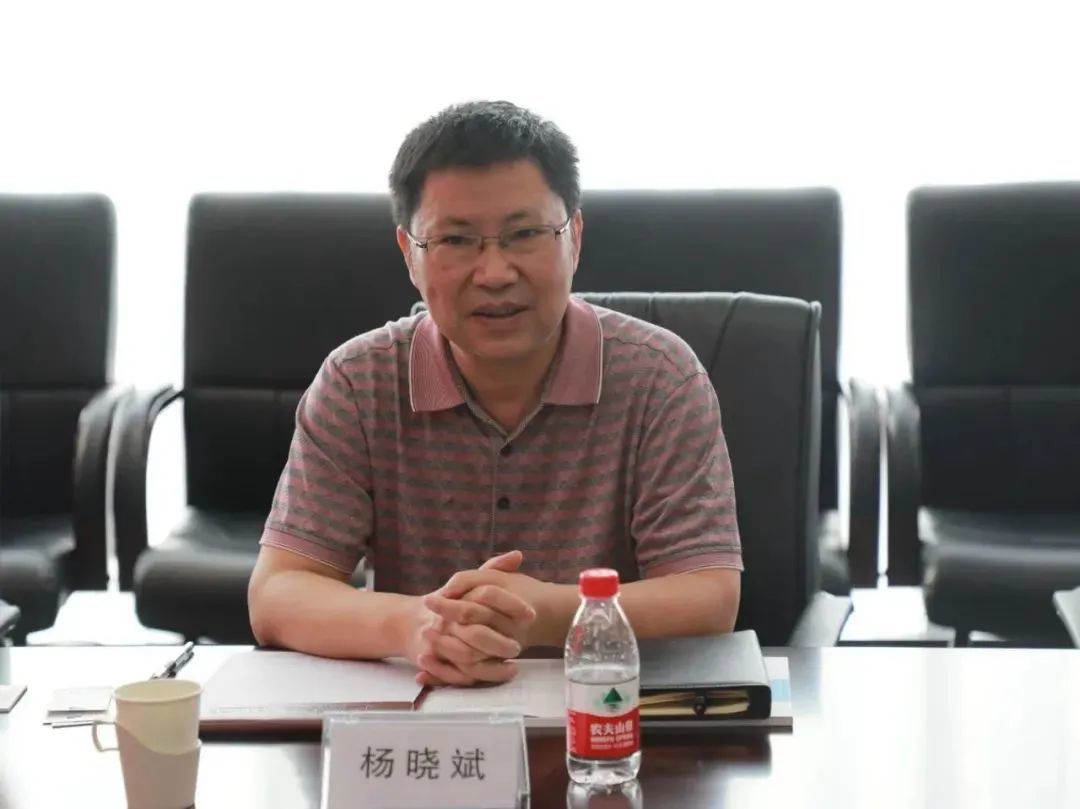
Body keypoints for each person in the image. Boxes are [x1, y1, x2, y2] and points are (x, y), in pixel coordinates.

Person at [248, 101, 742, 687]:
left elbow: (709, 597)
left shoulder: (660, 377)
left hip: (607, 714)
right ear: (410, 255)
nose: (495, 273)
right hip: (425, 720)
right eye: (456, 240)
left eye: (524, 234)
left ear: (574, 236)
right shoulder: (359, 383)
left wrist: (540, 611)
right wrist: (417, 624)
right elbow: (277, 591)